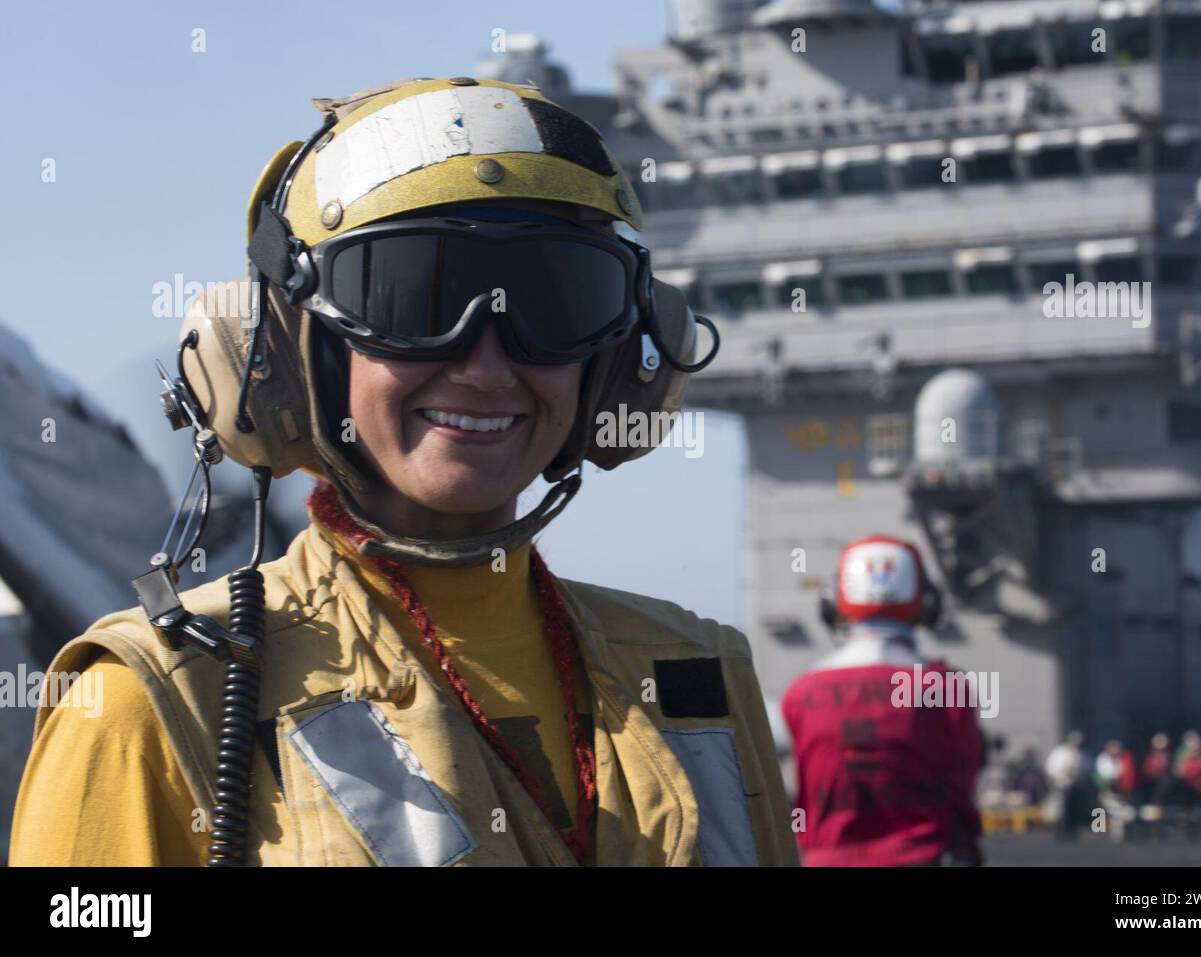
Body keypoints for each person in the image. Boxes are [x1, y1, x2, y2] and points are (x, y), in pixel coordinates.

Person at [9, 77, 798, 867]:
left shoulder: (700, 676)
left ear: (619, 361)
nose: (487, 366)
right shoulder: (152, 697)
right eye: (415, 297)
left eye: (554, 300)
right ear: (290, 349)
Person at [781, 535, 983, 866]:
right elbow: (962, 791)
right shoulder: (947, 687)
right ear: (927, 602)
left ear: (834, 601)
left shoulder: (801, 692)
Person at [1045, 731, 1091, 840]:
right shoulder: (1060, 752)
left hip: (1077, 785)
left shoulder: (1083, 754)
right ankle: (1061, 831)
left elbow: (1088, 767)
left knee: (1075, 810)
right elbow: (1051, 767)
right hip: (1063, 785)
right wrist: (1062, 774)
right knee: (1062, 809)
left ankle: (1073, 831)